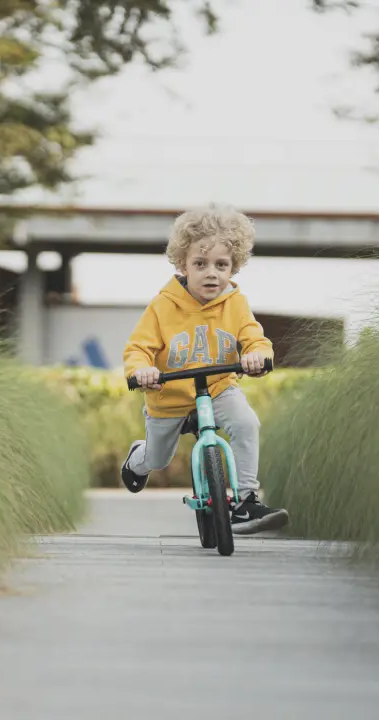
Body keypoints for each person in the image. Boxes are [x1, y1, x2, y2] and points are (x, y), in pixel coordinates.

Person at [120, 204, 290, 535]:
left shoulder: (236, 304)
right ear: (183, 264)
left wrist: (256, 356)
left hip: (218, 387)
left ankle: (245, 501)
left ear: (234, 267)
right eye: (200, 263)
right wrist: (141, 370)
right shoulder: (162, 306)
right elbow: (138, 348)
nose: (211, 273)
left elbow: (254, 338)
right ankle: (137, 458)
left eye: (221, 265)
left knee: (246, 424)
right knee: (158, 459)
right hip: (167, 395)